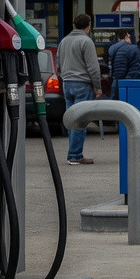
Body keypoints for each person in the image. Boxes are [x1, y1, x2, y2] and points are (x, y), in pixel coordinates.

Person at [58, 13, 105, 165]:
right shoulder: (86, 41)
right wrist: (97, 87)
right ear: (88, 25)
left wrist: (64, 77)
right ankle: (75, 155)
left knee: (71, 120)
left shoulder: (64, 41)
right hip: (82, 84)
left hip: (67, 84)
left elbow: (58, 64)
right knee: (80, 121)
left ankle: (73, 153)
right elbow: (93, 68)